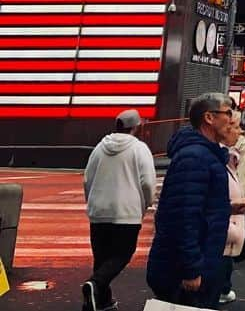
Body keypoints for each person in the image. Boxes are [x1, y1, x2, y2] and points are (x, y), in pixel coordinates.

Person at [146, 93, 232, 308]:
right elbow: (183, 217)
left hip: (199, 263)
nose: (232, 119)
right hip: (183, 272)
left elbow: (197, 207)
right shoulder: (195, 157)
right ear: (209, 118)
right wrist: (191, 268)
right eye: (227, 113)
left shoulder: (206, 155)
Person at [81, 109, 156, 311]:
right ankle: (95, 284)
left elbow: (87, 178)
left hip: (99, 211)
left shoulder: (99, 147)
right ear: (136, 127)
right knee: (123, 254)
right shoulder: (140, 149)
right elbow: (148, 182)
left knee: (101, 257)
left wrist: (91, 202)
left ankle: (100, 301)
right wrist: (148, 202)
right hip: (126, 212)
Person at [219, 112, 245, 305]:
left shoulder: (232, 150)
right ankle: (222, 287)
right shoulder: (216, 155)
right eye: (233, 126)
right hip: (229, 209)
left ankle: (222, 286)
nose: (239, 131)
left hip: (233, 206)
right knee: (225, 249)